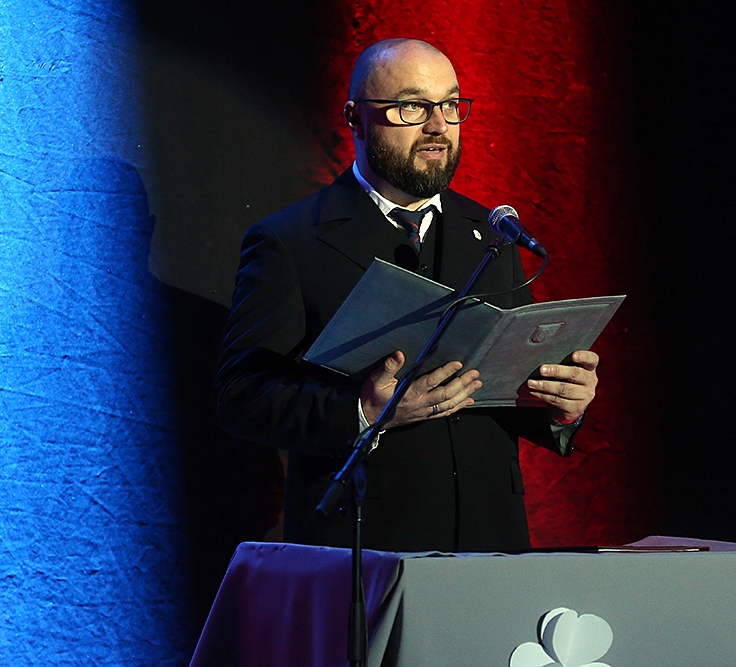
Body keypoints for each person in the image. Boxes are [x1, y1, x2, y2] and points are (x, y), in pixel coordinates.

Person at [215, 38, 600, 552]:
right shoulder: (291, 241)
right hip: (366, 545)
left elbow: (503, 386)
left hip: (491, 542)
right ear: (355, 118)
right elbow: (242, 397)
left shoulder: (491, 233)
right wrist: (363, 410)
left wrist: (560, 406)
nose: (438, 125)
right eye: (412, 106)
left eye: (450, 104)